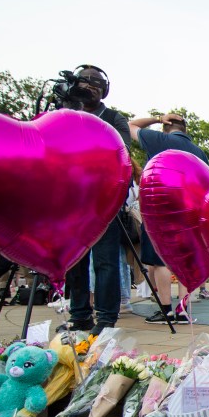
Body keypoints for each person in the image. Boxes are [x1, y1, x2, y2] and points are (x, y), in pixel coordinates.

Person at [59, 66, 131, 337]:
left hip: (102, 199)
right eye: (83, 81)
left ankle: (106, 316)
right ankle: (79, 315)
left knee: (105, 260)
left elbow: (120, 153)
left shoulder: (114, 118)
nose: (88, 86)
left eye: (95, 82)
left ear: (104, 89)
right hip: (72, 198)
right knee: (75, 260)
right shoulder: (67, 115)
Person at [129, 112, 209, 324]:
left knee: (159, 260)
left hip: (160, 206)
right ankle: (182, 309)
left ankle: (165, 309)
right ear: (186, 130)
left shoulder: (160, 140)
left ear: (166, 127)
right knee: (185, 260)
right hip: (190, 210)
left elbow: (130, 126)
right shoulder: (199, 152)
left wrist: (157, 119)